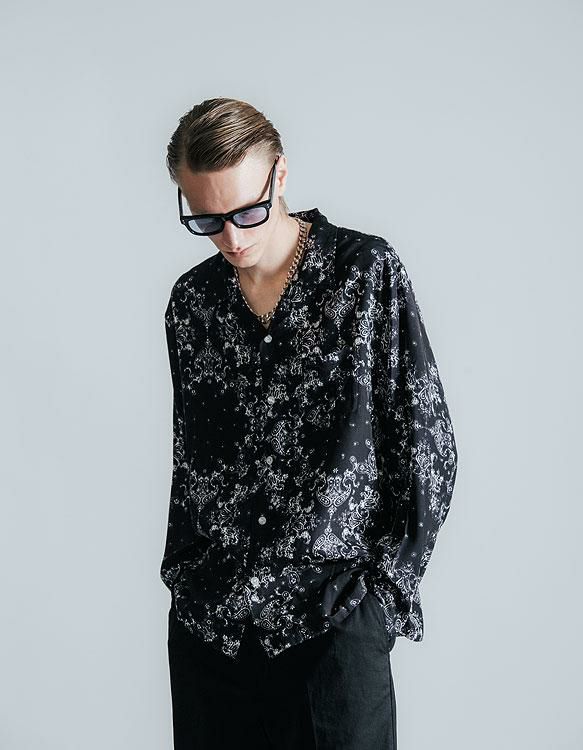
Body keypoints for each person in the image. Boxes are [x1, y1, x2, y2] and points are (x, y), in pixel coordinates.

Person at [161, 97, 458, 749]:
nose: (231, 238)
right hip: (214, 632)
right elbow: (191, 461)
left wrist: (379, 599)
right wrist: (185, 576)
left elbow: (428, 447)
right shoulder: (193, 304)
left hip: (332, 629)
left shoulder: (364, 274)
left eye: (247, 211)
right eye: (206, 219)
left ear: (281, 176)